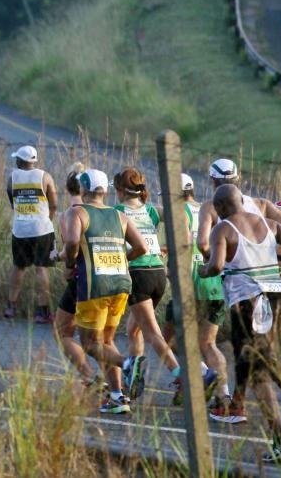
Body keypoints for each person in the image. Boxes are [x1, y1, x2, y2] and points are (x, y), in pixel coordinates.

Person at [200, 183, 281, 463]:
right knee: (257, 360)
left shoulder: (222, 229)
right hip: (274, 298)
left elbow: (217, 266)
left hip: (247, 303)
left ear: (221, 208)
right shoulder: (268, 223)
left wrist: (203, 268)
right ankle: (257, 402)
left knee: (258, 371)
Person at [112, 167, 210, 402]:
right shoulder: (152, 210)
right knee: (133, 329)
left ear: (118, 190)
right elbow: (181, 220)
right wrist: (179, 242)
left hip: (139, 273)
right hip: (158, 272)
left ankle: (186, 375)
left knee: (153, 333)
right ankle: (135, 376)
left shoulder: (116, 211)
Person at [62, 168, 147, 414]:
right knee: (107, 342)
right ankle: (118, 397)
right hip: (121, 284)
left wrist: (68, 261)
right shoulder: (118, 215)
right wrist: (122, 259)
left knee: (89, 343)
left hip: (95, 286)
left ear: (82, 189)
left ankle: (129, 363)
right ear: (106, 191)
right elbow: (141, 246)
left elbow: (71, 242)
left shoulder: (78, 212)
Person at [161, 173, 228, 408]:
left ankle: (200, 375)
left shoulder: (178, 214)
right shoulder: (209, 209)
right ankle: (223, 395)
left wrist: (170, 270)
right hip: (217, 283)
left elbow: (183, 247)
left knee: (167, 341)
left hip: (191, 284)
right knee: (208, 343)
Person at [4, 145, 57, 323]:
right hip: (41, 228)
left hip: (20, 229)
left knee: (18, 267)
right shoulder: (45, 176)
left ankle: (11, 306)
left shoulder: (12, 177)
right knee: (41, 268)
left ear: (20, 161)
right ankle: (43, 312)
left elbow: (12, 202)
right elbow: (54, 204)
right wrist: (46, 219)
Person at [53, 164, 95, 382]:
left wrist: (67, 266)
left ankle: (88, 375)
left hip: (80, 277)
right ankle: (116, 384)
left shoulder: (69, 214)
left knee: (63, 332)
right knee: (98, 339)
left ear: (68, 187)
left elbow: (72, 246)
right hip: (102, 277)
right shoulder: (98, 209)